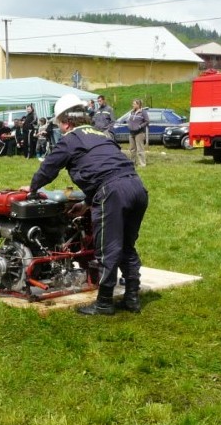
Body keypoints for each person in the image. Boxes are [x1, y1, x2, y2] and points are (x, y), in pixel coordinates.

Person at [19, 93, 149, 316]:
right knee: (127, 246)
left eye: (59, 123)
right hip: (137, 187)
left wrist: (32, 189)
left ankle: (105, 302)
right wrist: (89, 203)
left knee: (108, 249)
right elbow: (105, 166)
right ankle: (132, 297)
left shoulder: (70, 139)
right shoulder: (101, 134)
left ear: (66, 122)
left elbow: (48, 168)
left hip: (113, 192)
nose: (59, 128)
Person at [127, 98, 150, 168]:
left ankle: (142, 164)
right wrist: (129, 125)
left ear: (138, 105)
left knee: (140, 149)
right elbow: (129, 119)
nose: (132, 105)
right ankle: (133, 163)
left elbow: (147, 121)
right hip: (131, 133)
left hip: (139, 133)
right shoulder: (132, 112)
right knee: (132, 149)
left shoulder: (143, 112)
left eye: (134, 104)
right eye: (133, 104)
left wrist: (140, 126)